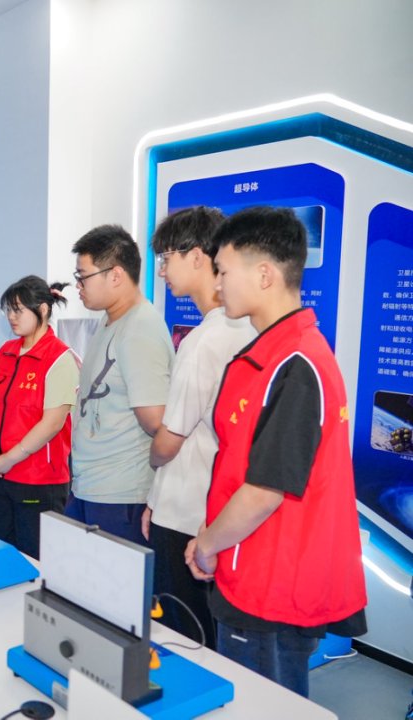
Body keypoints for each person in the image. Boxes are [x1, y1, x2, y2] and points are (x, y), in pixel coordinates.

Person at [186, 206, 367, 696]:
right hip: (248, 568)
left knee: (263, 704)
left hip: (271, 583)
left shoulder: (297, 364)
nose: (217, 285)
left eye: (224, 271)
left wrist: (207, 545)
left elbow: (263, 492)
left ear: (264, 274)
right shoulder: (273, 355)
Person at [143, 208, 256, 648]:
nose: (162, 271)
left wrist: (153, 466)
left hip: (185, 511)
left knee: (182, 636)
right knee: (211, 637)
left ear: (196, 256)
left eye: (165, 258)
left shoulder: (203, 341)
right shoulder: (251, 330)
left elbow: (170, 441)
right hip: (219, 512)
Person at [68, 224, 175, 545]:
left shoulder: (140, 330)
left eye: (83, 277)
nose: (78, 286)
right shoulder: (111, 319)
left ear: (115, 275)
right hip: (91, 484)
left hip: (120, 495)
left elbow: (156, 422)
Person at [0, 276, 78, 559]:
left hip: (37, 479)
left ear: (42, 309)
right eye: (8, 310)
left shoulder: (59, 358)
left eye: (18, 310)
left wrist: (10, 458)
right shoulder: (6, 352)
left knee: (34, 560)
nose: (11, 317)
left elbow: (52, 423)